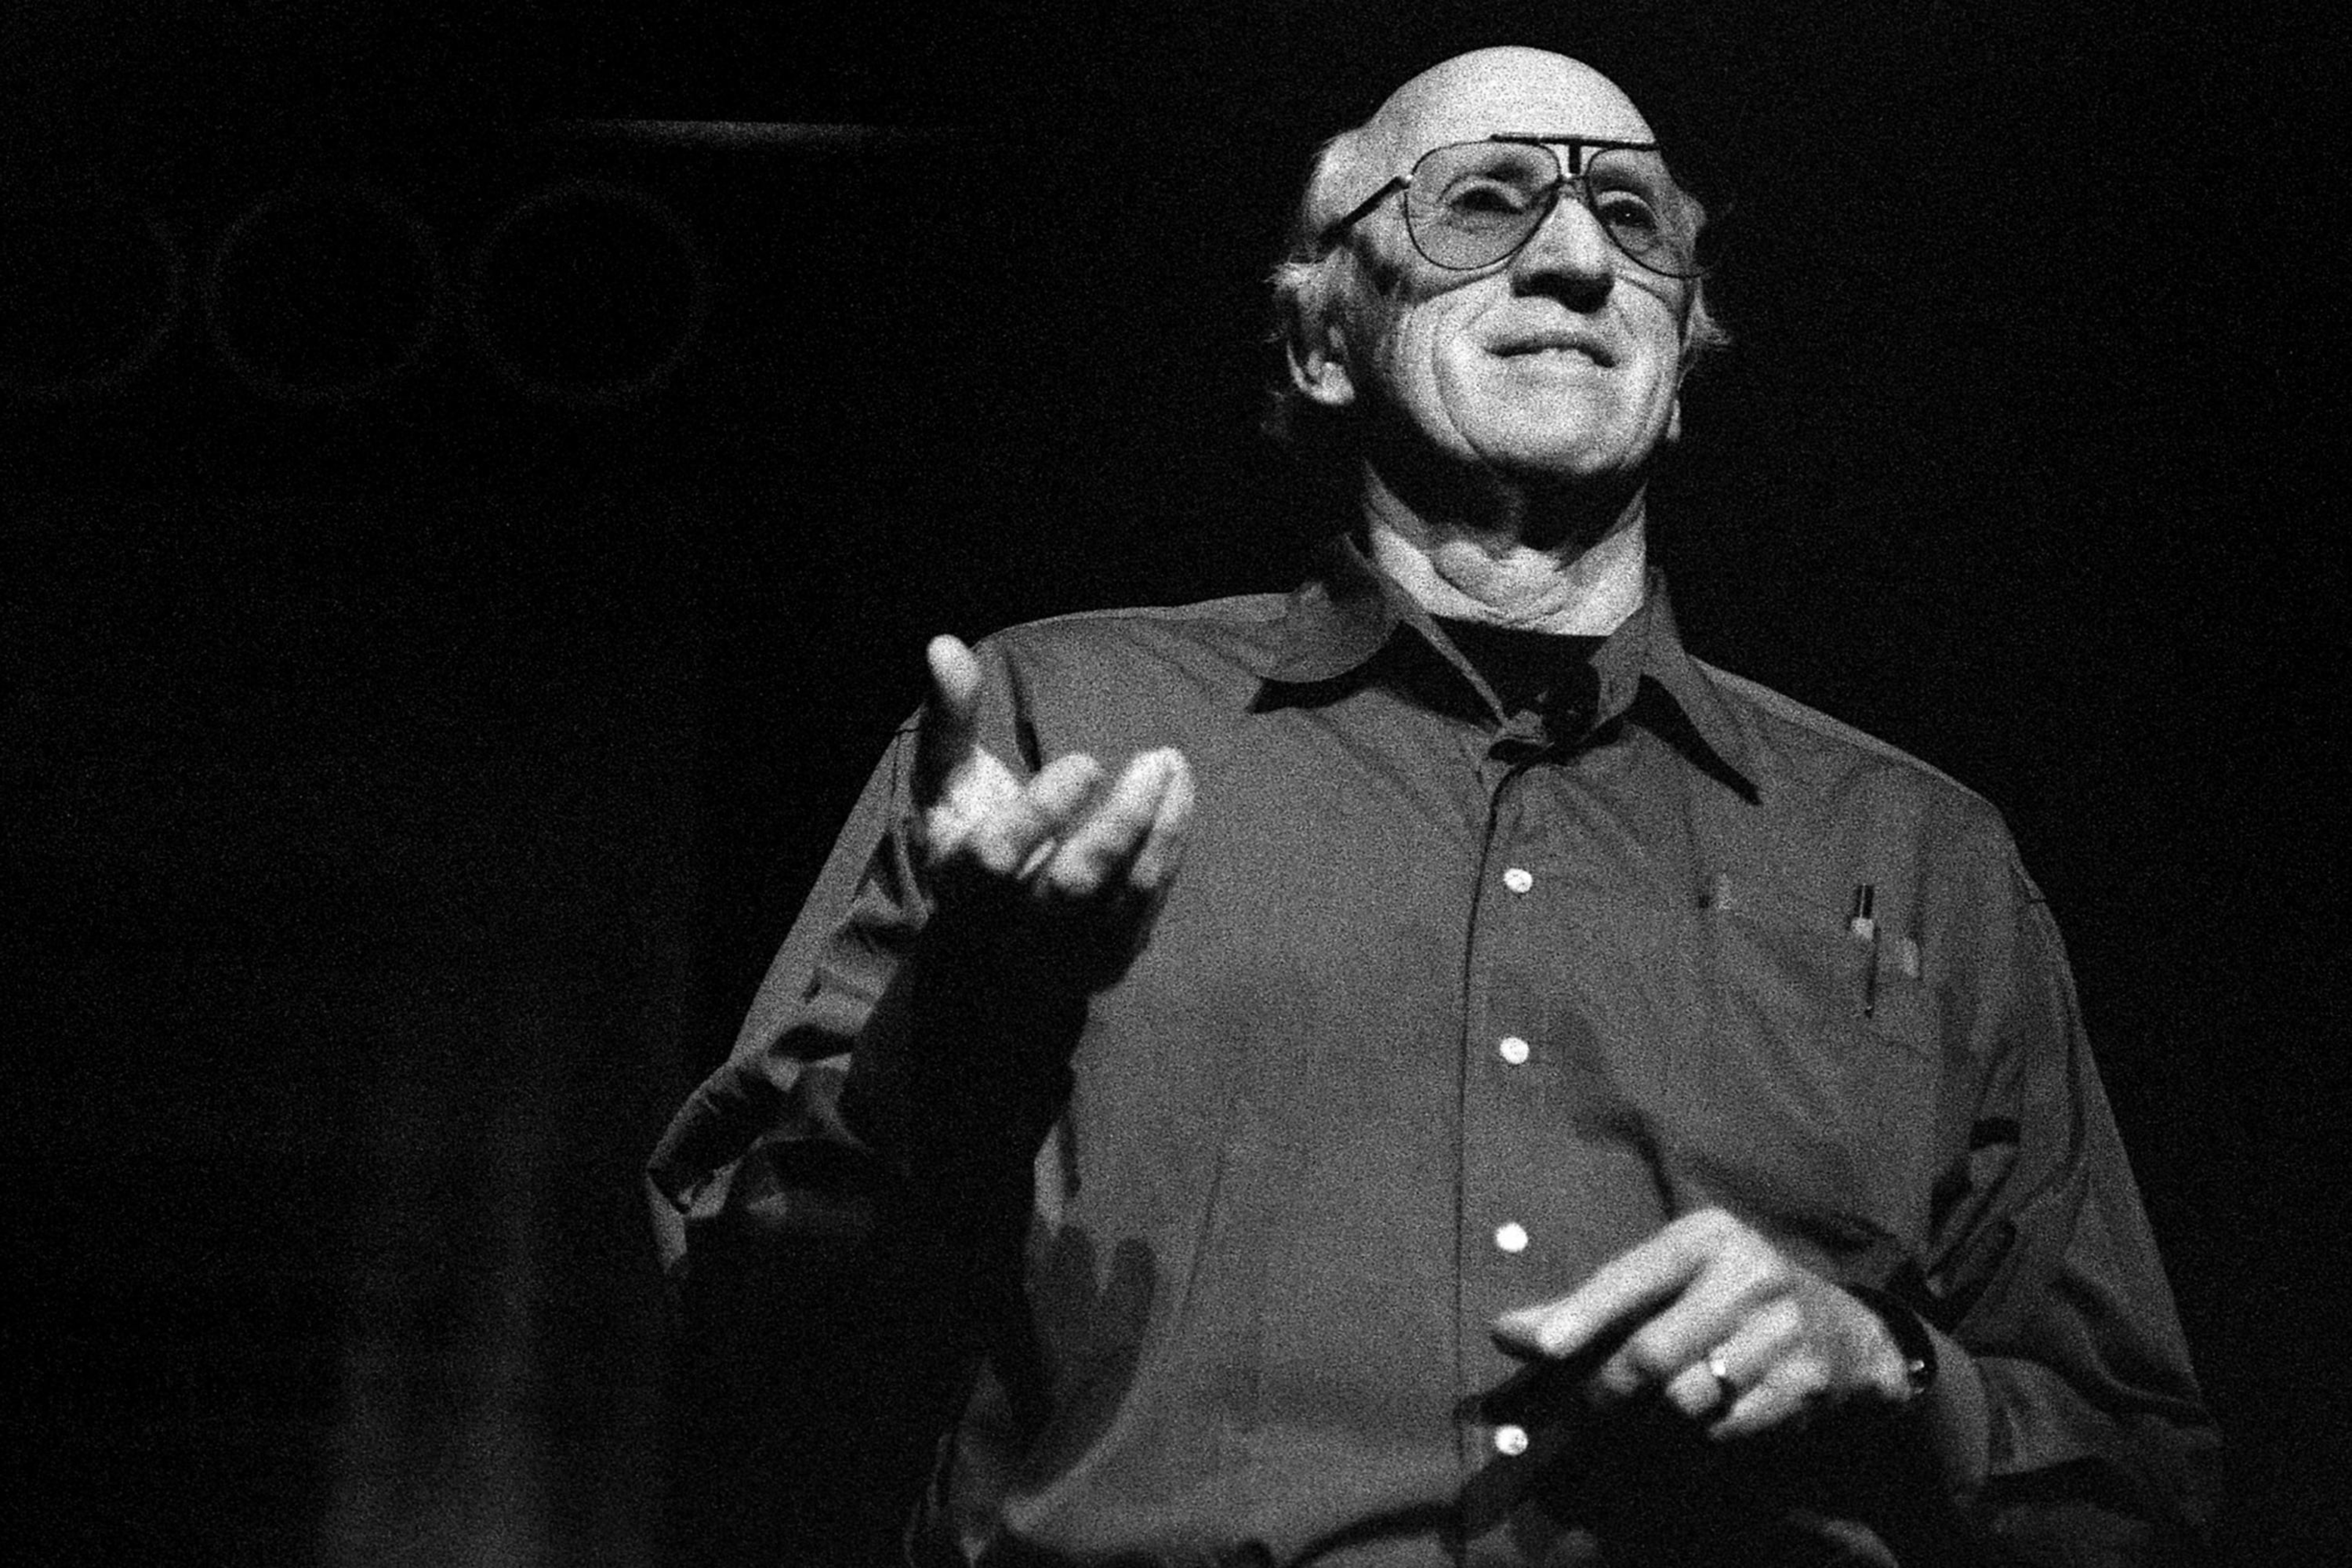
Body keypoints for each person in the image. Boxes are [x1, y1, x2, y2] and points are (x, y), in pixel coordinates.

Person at [649, 45, 2217, 1566]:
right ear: (1325, 342)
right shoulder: (1062, 726)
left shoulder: (1918, 852)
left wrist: (1889, 1368)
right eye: (1484, 200)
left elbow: (2141, 1484)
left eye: (1633, 217)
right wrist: (967, 1011)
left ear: (1682, 363)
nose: (1577, 261)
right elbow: (743, 1313)